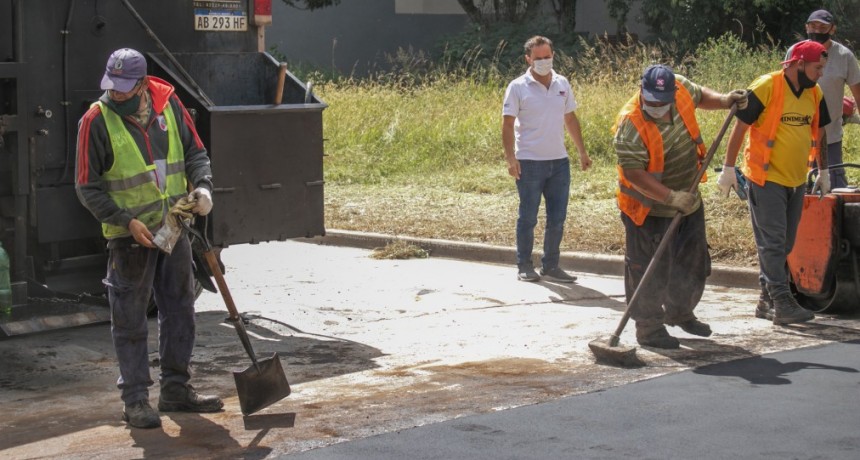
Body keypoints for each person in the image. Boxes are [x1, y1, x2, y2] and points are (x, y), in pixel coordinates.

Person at [75, 48, 222, 429]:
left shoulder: (169, 105)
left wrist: (203, 187)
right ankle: (135, 400)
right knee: (130, 319)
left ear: (142, 84)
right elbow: (87, 188)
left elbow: (196, 153)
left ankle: (176, 389)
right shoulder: (95, 120)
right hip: (130, 238)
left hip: (174, 227)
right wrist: (126, 222)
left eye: (125, 87)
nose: (116, 92)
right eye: (112, 85)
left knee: (180, 310)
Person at [612, 64, 747, 349]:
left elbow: (701, 95)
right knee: (649, 270)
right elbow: (634, 173)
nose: (656, 107)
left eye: (662, 102)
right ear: (641, 90)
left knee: (692, 262)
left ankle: (680, 312)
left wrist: (724, 100)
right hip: (647, 210)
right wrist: (670, 197)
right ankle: (649, 328)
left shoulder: (682, 88)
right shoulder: (630, 125)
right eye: (650, 101)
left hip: (688, 198)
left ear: (673, 92)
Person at [719, 40, 831, 325]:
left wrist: (824, 171)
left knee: (785, 243)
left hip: (796, 179)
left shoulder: (814, 92)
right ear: (799, 64)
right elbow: (740, 126)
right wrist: (729, 168)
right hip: (765, 178)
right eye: (817, 68)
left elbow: (820, 132)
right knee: (773, 242)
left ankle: (765, 301)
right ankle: (781, 301)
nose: (821, 74)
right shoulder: (767, 86)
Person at [502, 35, 592, 283]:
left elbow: (570, 118)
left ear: (553, 55)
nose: (544, 61)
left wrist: (582, 151)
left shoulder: (562, 83)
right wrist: (511, 158)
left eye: (547, 57)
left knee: (557, 218)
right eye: (538, 58)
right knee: (528, 217)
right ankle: (524, 265)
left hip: (559, 163)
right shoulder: (517, 87)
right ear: (528, 59)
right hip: (529, 162)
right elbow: (507, 124)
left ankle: (551, 265)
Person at [785, 9, 860, 189]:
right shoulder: (794, 51)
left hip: (830, 136)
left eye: (822, 27)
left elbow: (858, 94)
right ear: (806, 27)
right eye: (813, 26)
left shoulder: (845, 56)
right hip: (797, 134)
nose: (817, 31)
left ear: (832, 29)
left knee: (834, 188)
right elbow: (785, 87)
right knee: (798, 187)